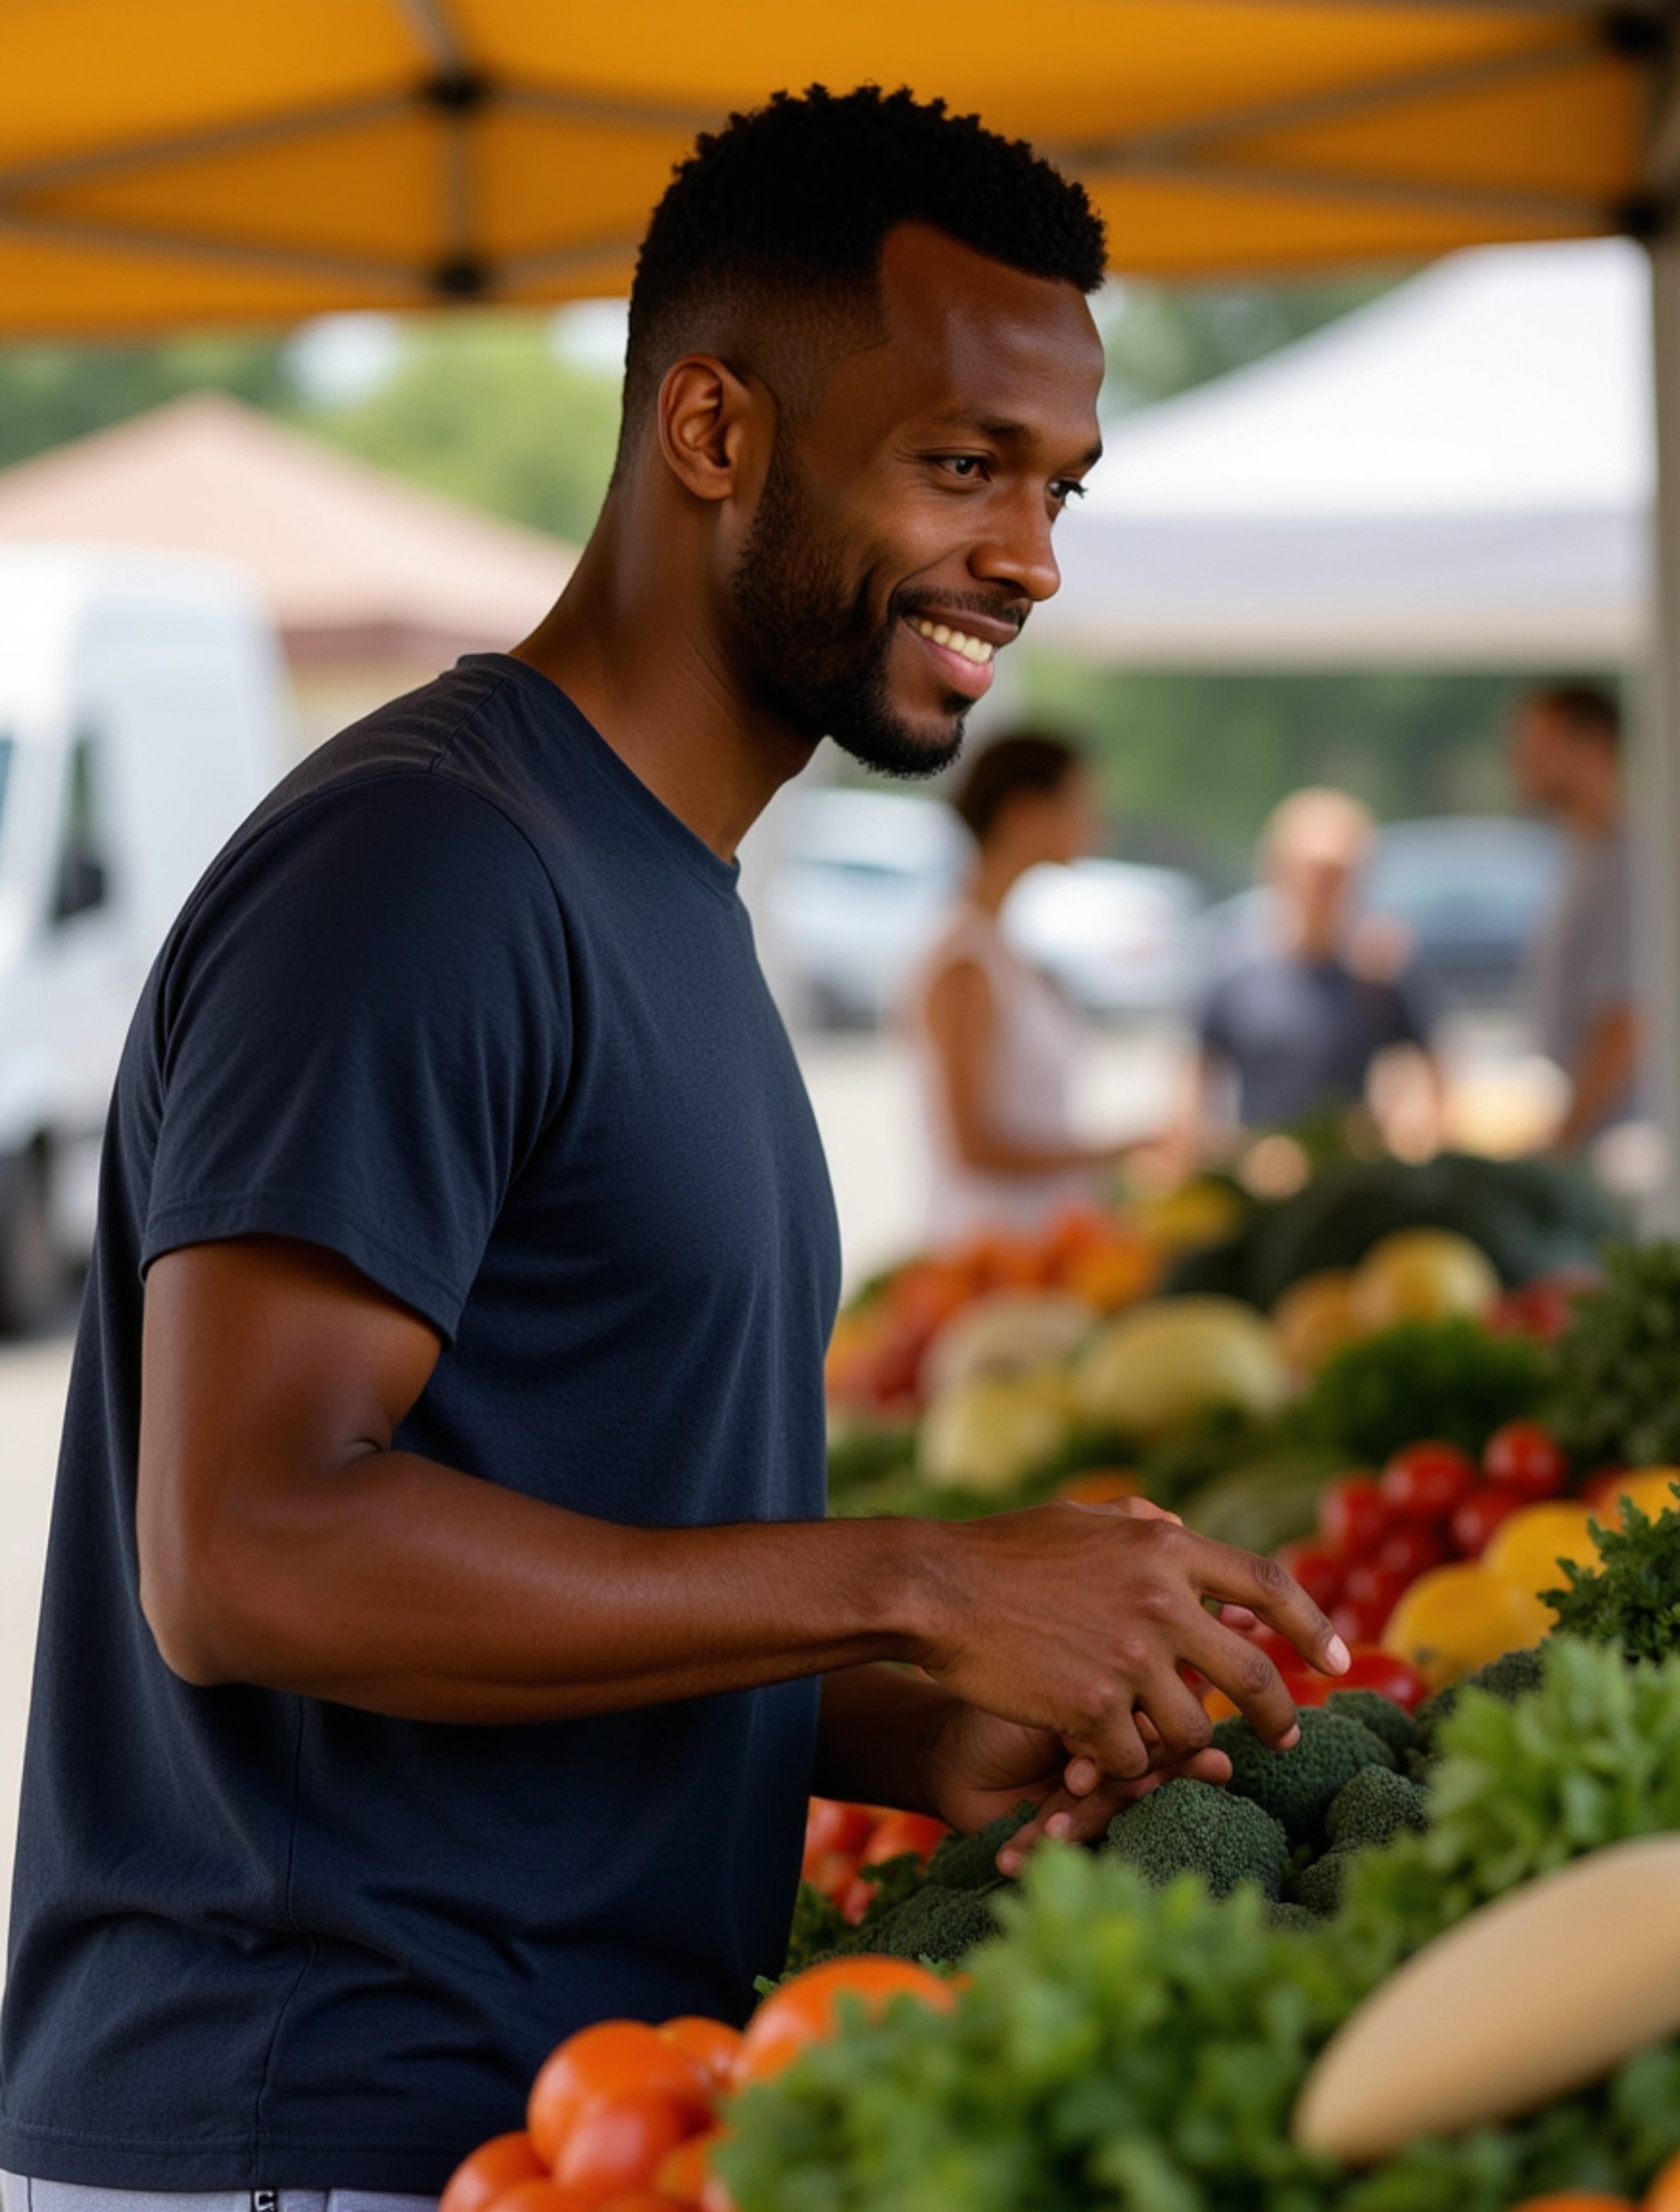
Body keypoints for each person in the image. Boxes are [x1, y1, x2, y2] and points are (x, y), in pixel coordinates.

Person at [0, 85, 1345, 2211]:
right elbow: (247, 1553)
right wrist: (913, 1580)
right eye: (958, 463)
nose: (1029, 555)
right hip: (316, 2129)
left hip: (555, 2118)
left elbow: (558, 1532)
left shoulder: (657, 888)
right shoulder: (428, 863)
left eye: (1058, 485)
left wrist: (902, 1725)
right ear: (711, 435)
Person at [912, 731, 1154, 1244]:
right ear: (1023, 813)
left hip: (1034, 1253)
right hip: (988, 1264)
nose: (1094, 824)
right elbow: (971, 1145)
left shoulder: (1001, 953)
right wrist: (1116, 1151)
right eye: (1077, 804)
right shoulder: (966, 965)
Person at [1185, 787, 1439, 1151]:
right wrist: (1231, 1155)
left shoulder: (1380, 973)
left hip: (1354, 1175)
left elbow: (1427, 1081)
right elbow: (1193, 1095)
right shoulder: (1236, 971)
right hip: (1260, 1176)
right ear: (1279, 869)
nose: (1326, 890)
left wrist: (1403, 1133)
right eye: (1316, 873)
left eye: (1340, 875)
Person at [1511, 681, 1639, 1146]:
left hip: (1615, 1144)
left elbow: (1626, 1021)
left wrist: (1563, 1142)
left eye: (1539, 745)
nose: (1522, 762)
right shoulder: (1577, 855)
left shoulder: (1624, 863)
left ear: (1594, 746)